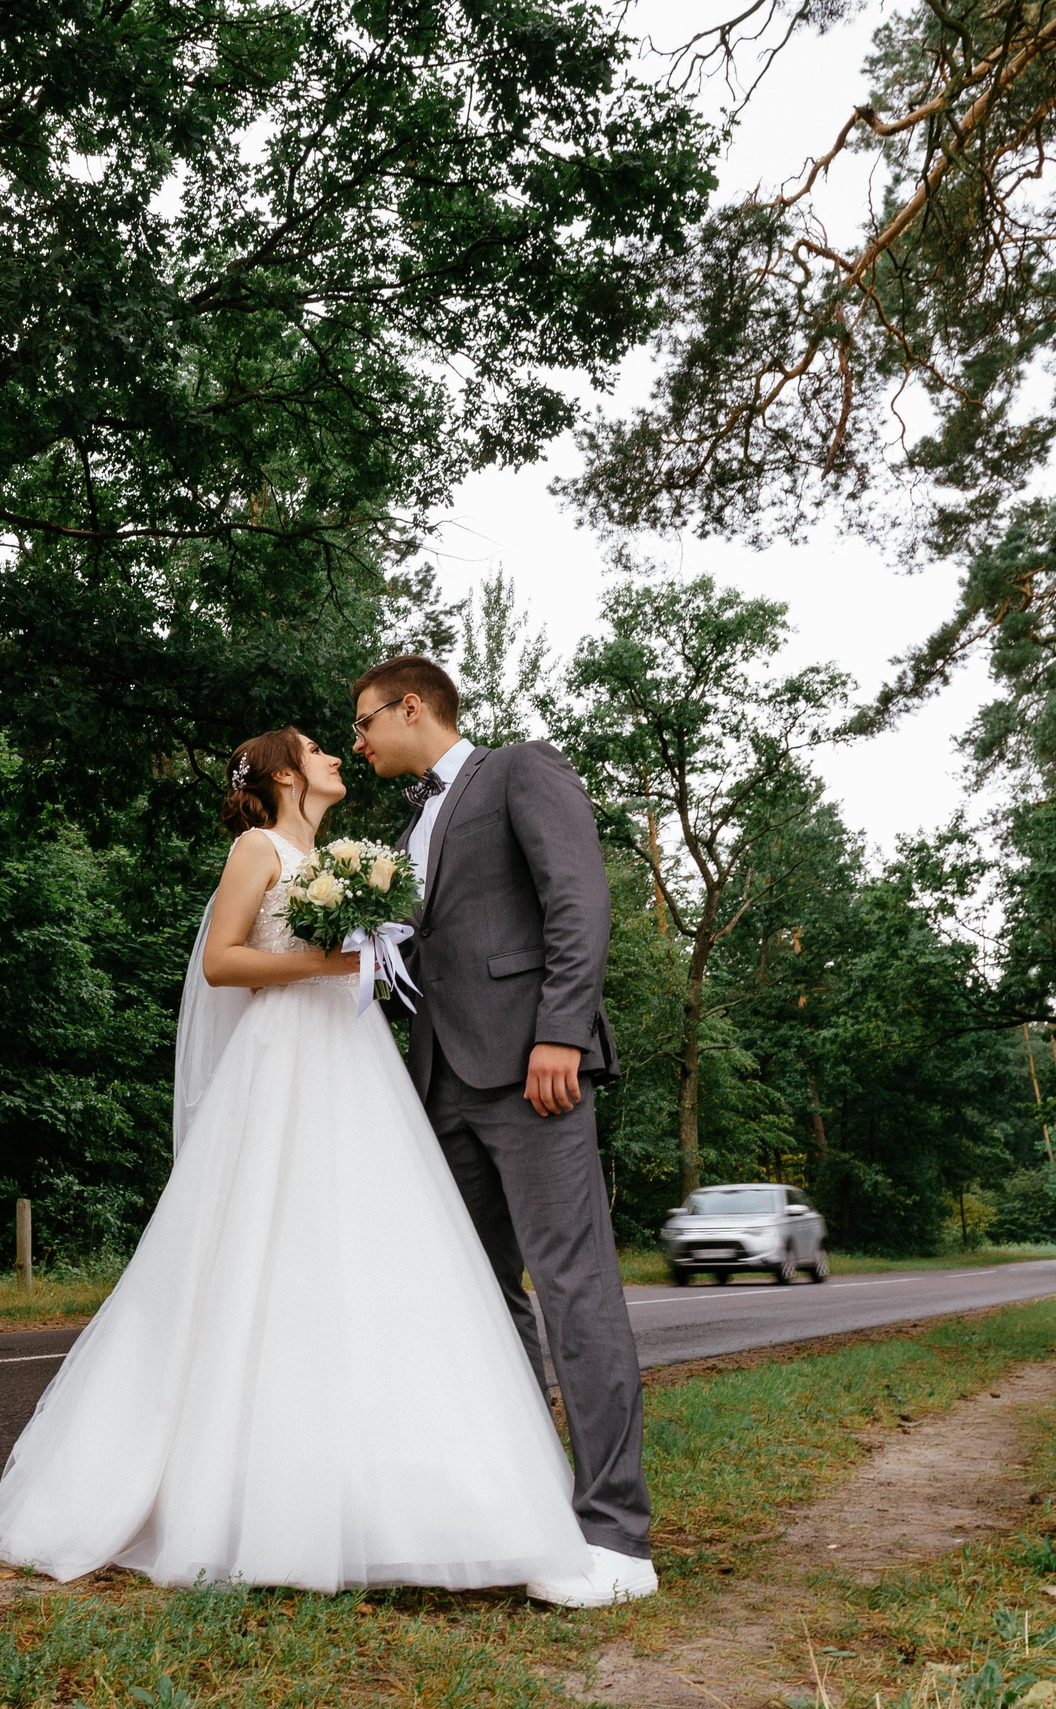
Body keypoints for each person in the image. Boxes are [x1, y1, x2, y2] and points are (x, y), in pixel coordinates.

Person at [0, 725, 597, 1596]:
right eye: (318, 748)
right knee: (264, 1260)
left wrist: (364, 957)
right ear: (281, 772)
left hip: (354, 1064)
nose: (338, 755)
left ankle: (393, 1494)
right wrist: (328, 957)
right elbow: (223, 961)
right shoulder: (256, 846)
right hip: (282, 1063)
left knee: (370, 1261)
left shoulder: (339, 853)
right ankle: (236, 1495)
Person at [350, 653, 655, 1608]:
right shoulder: (411, 823)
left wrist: (562, 1031)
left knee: (574, 1290)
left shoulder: (523, 767)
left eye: (364, 722)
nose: (357, 741)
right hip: (441, 1084)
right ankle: (522, 1509)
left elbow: (578, 900)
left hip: (535, 1077)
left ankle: (617, 1538)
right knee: (480, 1304)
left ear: (412, 706)